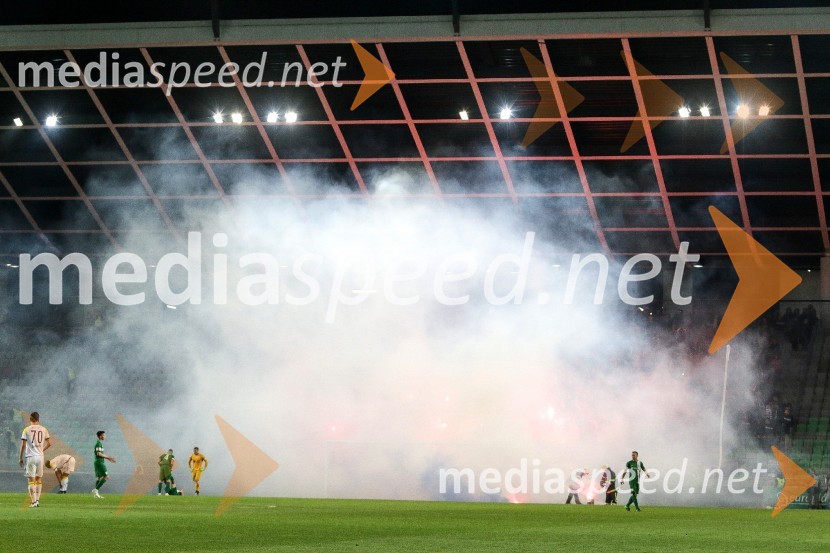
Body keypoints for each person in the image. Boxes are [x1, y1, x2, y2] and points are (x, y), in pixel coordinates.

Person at [19, 412, 51, 508]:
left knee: (31, 480)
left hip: (30, 457)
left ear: (30, 419)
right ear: (38, 419)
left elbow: (23, 445)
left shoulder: (26, 429)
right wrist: (41, 449)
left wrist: (20, 457)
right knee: (38, 479)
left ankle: (33, 502)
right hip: (40, 457)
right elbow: (49, 443)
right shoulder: (44, 429)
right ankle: (37, 500)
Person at [93, 430, 116, 499]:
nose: (105, 436)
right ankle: (96, 490)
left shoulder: (99, 443)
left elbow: (100, 454)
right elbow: (99, 453)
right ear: (100, 436)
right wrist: (108, 457)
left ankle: (96, 494)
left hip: (98, 462)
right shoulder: (98, 444)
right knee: (106, 477)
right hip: (100, 462)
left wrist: (108, 458)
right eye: (104, 435)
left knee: (99, 478)